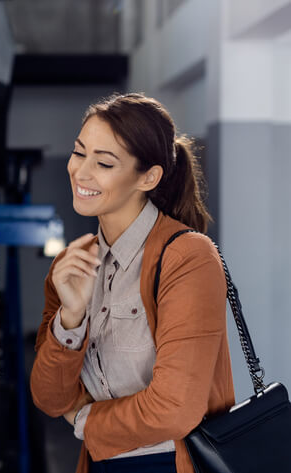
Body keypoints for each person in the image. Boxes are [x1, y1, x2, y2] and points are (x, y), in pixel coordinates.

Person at [29, 93, 235, 473]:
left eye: (104, 162)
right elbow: (49, 398)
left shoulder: (188, 257)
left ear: (149, 177)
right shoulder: (71, 264)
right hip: (100, 462)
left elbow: (175, 409)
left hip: (171, 464)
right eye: (79, 153)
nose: (81, 172)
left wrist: (84, 420)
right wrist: (71, 317)